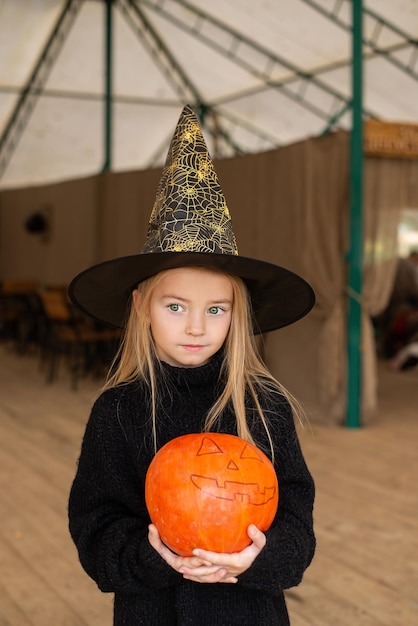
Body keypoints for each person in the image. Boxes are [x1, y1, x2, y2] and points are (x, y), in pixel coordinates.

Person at [68, 105, 316, 625]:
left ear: (237, 313)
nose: (196, 327)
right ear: (141, 305)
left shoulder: (263, 406)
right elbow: (95, 527)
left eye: (216, 309)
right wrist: (152, 556)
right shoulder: (118, 411)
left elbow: (295, 518)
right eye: (175, 306)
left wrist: (257, 559)